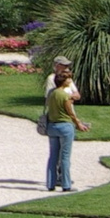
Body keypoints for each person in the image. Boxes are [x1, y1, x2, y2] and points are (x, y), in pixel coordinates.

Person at [42, 57, 88, 192]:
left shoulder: (52, 94)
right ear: (64, 81)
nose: (70, 80)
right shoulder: (65, 96)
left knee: (53, 156)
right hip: (65, 126)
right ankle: (66, 184)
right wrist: (78, 123)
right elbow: (70, 113)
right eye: (68, 79)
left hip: (52, 126)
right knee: (65, 157)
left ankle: (50, 183)